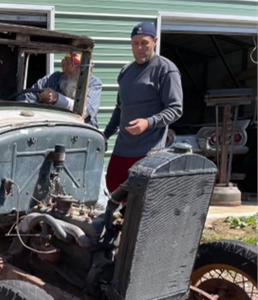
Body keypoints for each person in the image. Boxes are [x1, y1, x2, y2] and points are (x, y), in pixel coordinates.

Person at [103, 22, 183, 194]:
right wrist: (105, 135)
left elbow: (175, 109)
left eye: (144, 42)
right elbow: (120, 108)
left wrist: (148, 122)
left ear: (154, 41)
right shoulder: (126, 71)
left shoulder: (166, 69)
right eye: (135, 43)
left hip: (148, 151)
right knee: (113, 188)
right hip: (122, 148)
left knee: (140, 198)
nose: (140, 48)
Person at [19, 53, 102, 128]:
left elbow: (84, 112)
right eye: (76, 66)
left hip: (82, 134)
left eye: (84, 67)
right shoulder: (52, 79)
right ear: (63, 65)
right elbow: (25, 100)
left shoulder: (93, 83)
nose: (80, 71)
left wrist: (57, 99)